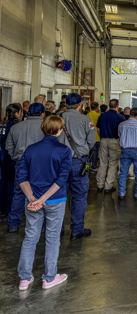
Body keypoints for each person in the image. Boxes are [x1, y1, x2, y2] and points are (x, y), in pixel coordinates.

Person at [16, 115, 71, 291]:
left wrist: (33, 198)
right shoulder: (64, 150)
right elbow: (61, 179)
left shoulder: (30, 150)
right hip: (55, 200)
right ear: (60, 130)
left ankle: (24, 279)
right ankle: (49, 278)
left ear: (43, 128)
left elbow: (22, 177)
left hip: (32, 201)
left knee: (30, 237)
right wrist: (43, 199)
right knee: (53, 238)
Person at [5, 103, 69, 233]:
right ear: (43, 113)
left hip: (21, 163)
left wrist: (16, 158)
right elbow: (58, 146)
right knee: (47, 191)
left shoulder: (16, 127)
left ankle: (13, 224)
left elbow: (8, 147)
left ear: (27, 112)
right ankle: (47, 226)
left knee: (19, 193)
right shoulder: (48, 127)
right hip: (45, 164)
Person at [62, 93, 96, 240]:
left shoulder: (57, 119)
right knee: (79, 196)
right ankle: (77, 230)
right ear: (80, 105)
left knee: (58, 197)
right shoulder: (85, 119)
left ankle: (56, 229)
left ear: (65, 104)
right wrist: (83, 151)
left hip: (58, 163)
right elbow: (91, 141)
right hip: (78, 162)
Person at [117, 107, 137, 200]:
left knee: (123, 173)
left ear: (130, 114)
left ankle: (121, 193)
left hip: (125, 150)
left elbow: (119, 135)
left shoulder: (122, 125)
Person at [96, 99, 126, 192]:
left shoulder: (102, 116)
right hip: (115, 141)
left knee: (102, 162)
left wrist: (102, 137)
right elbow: (123, 132)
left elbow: (98, 130)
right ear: (117, 106)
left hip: (103, 140)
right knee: (113, 163)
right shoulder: (120, 117)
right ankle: (108, 186)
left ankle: (100, 185)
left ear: (109, 106)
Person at [0, 104, 22, 217]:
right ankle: (11, 209)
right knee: (12, 183)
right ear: (17, 113)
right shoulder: (17, 127)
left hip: (2, 154)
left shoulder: (3, 124)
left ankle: (2, 208)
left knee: (3, 182)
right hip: (10, 156)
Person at [87, 102, 101, 171]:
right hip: (97, 137)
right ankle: (94, 167)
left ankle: (87, 167)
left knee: (88, 153)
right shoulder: (99, 115)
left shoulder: (87, 115)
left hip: (88, 136)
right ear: (97, 107)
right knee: (95, 153)